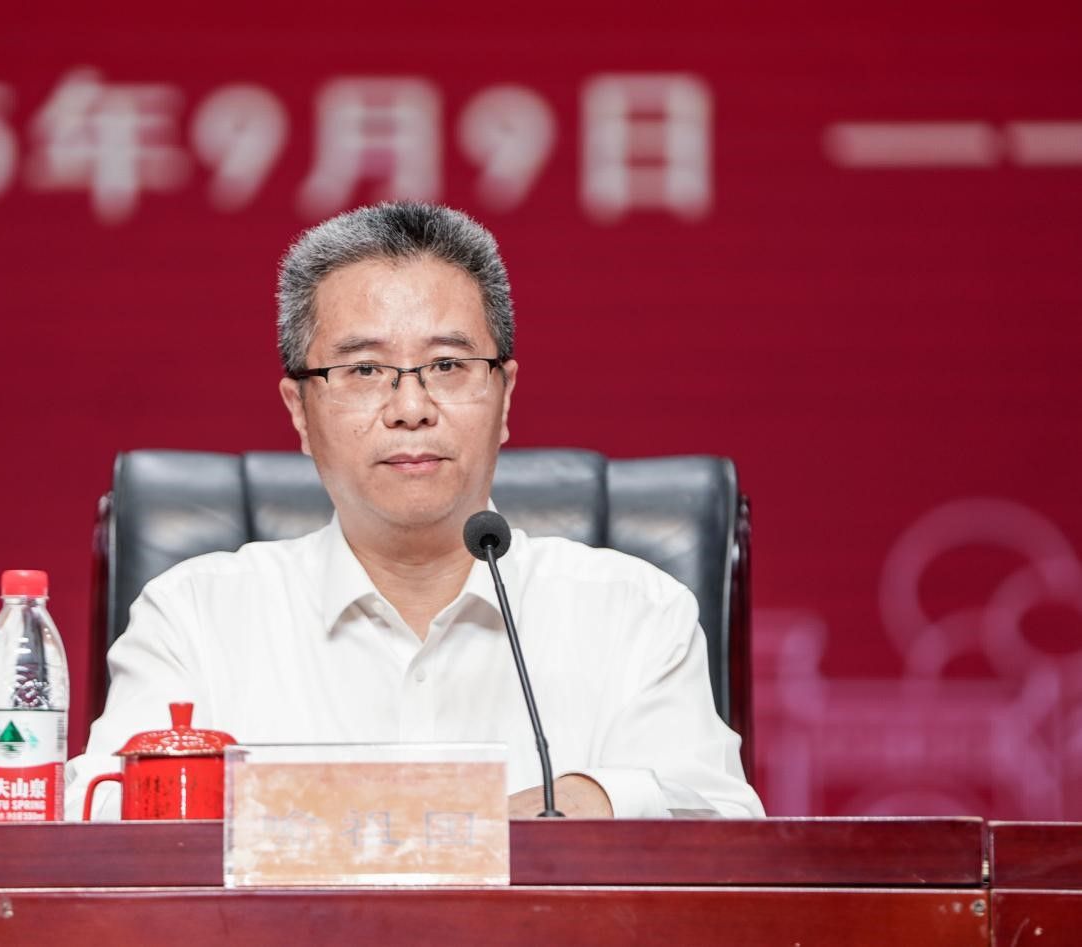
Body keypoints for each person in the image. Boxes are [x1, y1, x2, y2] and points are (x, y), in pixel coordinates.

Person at [65, 202, 763, 820]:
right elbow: (96, 821)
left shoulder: (636, 615)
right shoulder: (194, 619)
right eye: (364, 370)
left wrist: (596, 799)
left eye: (448, 366)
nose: (410, 408)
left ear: (505, 397)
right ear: (299, 411)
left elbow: (726, 836)